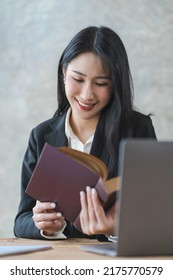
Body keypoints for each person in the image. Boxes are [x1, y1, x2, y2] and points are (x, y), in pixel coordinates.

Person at [14, 26, 157, 240]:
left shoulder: (137, 129)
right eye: (78, 79)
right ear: (63, 72)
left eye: (101, 83)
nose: (87, 94)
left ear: (116, 84)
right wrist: (44, 225)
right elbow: (22, 219)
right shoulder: (41, 135)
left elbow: (155, 216)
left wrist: (116, 229)